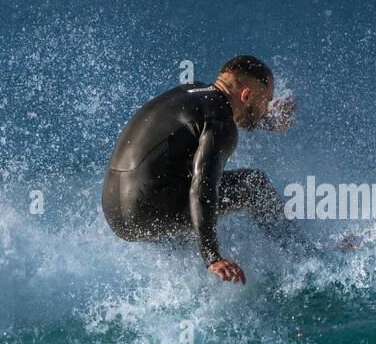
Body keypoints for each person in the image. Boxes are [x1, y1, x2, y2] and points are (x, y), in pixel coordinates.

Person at [101, 55, 312, 284]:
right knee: (253, 184)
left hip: (117, 212)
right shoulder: (220, 123)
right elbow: (204, 186)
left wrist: (267, 121)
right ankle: (306, 255)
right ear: (247, 95)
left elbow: (237, 117)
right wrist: (212, 257)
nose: (266, 108)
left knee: (182, 188)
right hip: (148, 210)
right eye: (266, 101)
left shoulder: (192, 92)